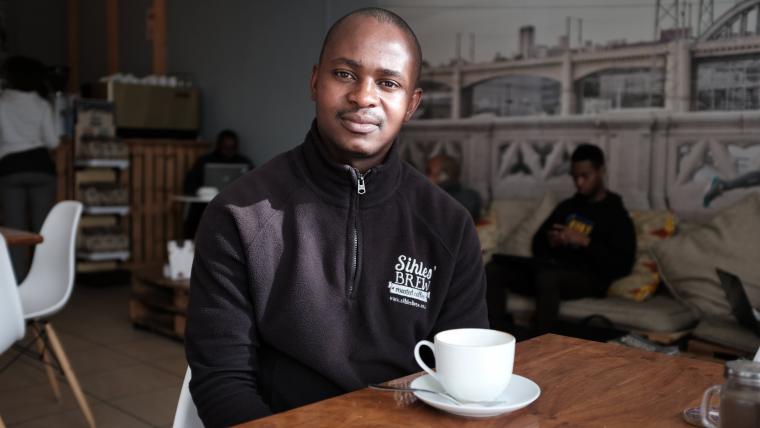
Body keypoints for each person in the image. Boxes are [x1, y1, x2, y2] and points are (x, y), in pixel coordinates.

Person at [185, 8, 488, 427]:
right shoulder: (240, 215)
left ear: (411, 103)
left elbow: (462, 380)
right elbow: (222, 382)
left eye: (388, 83)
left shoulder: (449, 226)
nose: (364, 97)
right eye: (345, 74)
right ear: (314, 82)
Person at [485, 144, 635, 334]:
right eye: (575, 177)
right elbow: (537, 243)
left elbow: (623, 263)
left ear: (601, 171)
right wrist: (553, 241)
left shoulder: (616, 214)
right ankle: (494, 336)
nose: (579, 183)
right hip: (551, 269)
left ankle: (540, 345)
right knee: (494, 269)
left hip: (588, 278)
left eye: (585, 176)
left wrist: (584, 241)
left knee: (547, 278)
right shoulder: (568, 206)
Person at [0, 56, 58, 280]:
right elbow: (52, 142)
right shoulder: (42, 104)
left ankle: (17, 284)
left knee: (16, 232)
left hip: (10, 169)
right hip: (41, 167)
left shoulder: (2, 103)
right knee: (42, 231)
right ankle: (45, 280)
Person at [182, 129, 253, 238]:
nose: (228, 151)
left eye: (232, 148)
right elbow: (189, 186)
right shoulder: (204, 161)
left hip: (234, 209)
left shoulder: (244, 163)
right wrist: (202, 192)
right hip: (206, 208)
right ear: (218, 146)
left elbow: (252, 186)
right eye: (225, 148)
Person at [426, 153, 482, 222]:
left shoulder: (469, 198)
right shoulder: (472, 196)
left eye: (428, 171)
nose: (425, 176)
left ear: (443, 176)